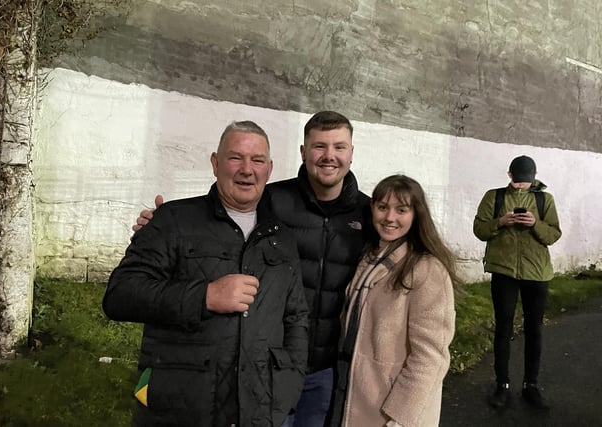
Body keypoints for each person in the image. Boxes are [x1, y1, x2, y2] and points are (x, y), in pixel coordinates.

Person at [134, 111, 372, 427]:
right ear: (303, 153)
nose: (329, 156)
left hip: (327, 369)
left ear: (351, 153)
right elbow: (222, 211)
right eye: (319, 146)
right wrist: (160, 224)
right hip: (264, 363)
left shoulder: (370, 215)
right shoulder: (271, 199)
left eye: (339, 147)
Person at [103, 120, 309, 427]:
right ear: (215, 163)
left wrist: (287, 386)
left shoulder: (282, 237)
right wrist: (205, 296)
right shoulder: (173, 220)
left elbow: (296, 319)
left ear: (269, 169)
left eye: (257, 160)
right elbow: (120, 295)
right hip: (181, 409)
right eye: (235, 157)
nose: (246, 169)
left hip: (259, 409)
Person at [328, 174, 458, 427]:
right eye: (383, 207)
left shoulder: (427, 269)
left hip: (391, 411)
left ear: (416, 214)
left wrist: (400, 418)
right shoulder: (370, 256)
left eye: (401, 210)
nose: (389, 218)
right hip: (356, 397)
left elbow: (430, 356)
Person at [473, 155, 561, 410]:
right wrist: (500, 222)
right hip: (504, 272)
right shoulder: (495, 196)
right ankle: (502, 385)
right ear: (510, 175)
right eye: (518, 181)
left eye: (526, 181)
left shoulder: (546, 200)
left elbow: (554, 234)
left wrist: (535, 224)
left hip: (538, 273)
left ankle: (530, 385)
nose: (521, 186)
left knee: (535, 330)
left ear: (533, 177)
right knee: (503, 329)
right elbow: (479, 230)